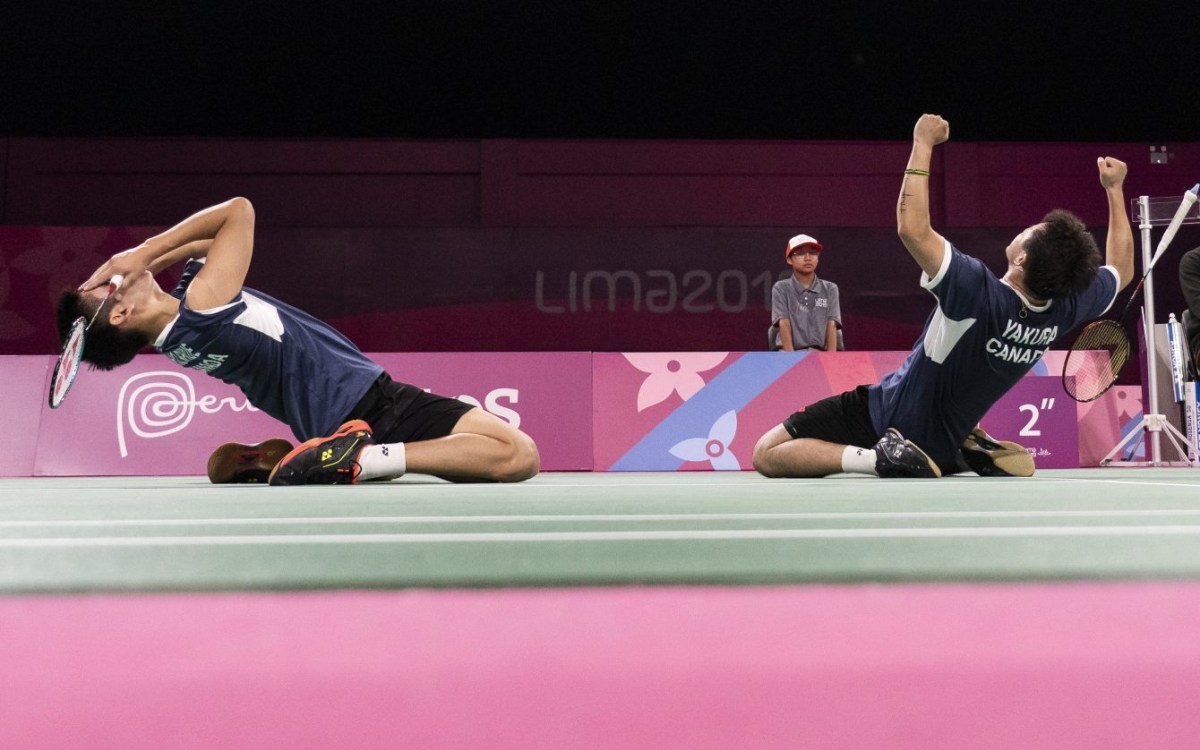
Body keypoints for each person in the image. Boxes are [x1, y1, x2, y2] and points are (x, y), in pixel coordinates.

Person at [752, 114, 1134, 479]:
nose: (1025, 227)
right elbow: (1122, 270)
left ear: (1021, 258)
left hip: (892, 416)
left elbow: (913, 230)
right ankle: (965, 448)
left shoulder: (976, 291)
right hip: (944, 437)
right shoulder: (1066, 305)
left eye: (1030, 230)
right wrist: (1115, 191)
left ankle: (881, 459)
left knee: (767, 452)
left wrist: (922, 143)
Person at [58, 198, 540, 485]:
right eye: (101, 286)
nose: (108, 274)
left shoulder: (182, 328)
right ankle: (364, 459)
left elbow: (207, 245)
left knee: (482, 449)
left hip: (334, 414)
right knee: (517, 454)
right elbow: (237, 213)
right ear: (119, 312)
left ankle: (308, 456)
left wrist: (141, 265)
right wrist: (142, 252)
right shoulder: (201, 310)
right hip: (366, 403)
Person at [770, 234, 842, 351]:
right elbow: (784, 324)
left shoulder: (830, 288)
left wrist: (830, 360)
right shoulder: (781, 288)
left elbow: (832, 324)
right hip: (789, 354)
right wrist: (792, 361)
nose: (808, 258)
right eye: (801, 253)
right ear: (789, 259)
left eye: (813, 253)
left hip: (820, 354)